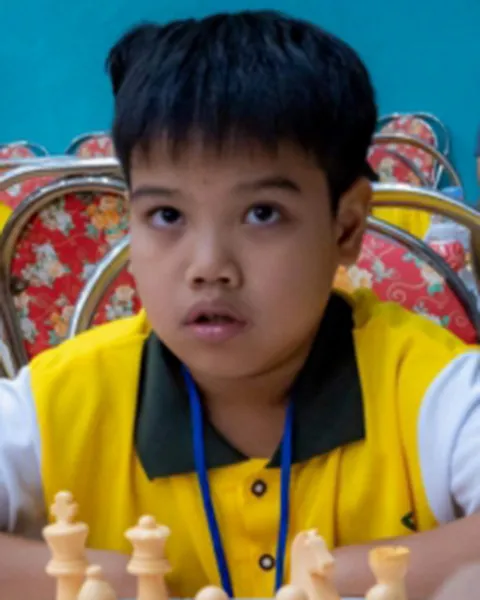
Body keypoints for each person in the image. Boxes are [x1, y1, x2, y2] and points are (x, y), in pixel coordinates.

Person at [1, 11, 480, 600]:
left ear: (346, 226)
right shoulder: (59, 403)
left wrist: (333, 579)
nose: (208, 266)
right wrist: (108, 581)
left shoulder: (431, 391)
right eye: (167, 216)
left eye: (262, 214)